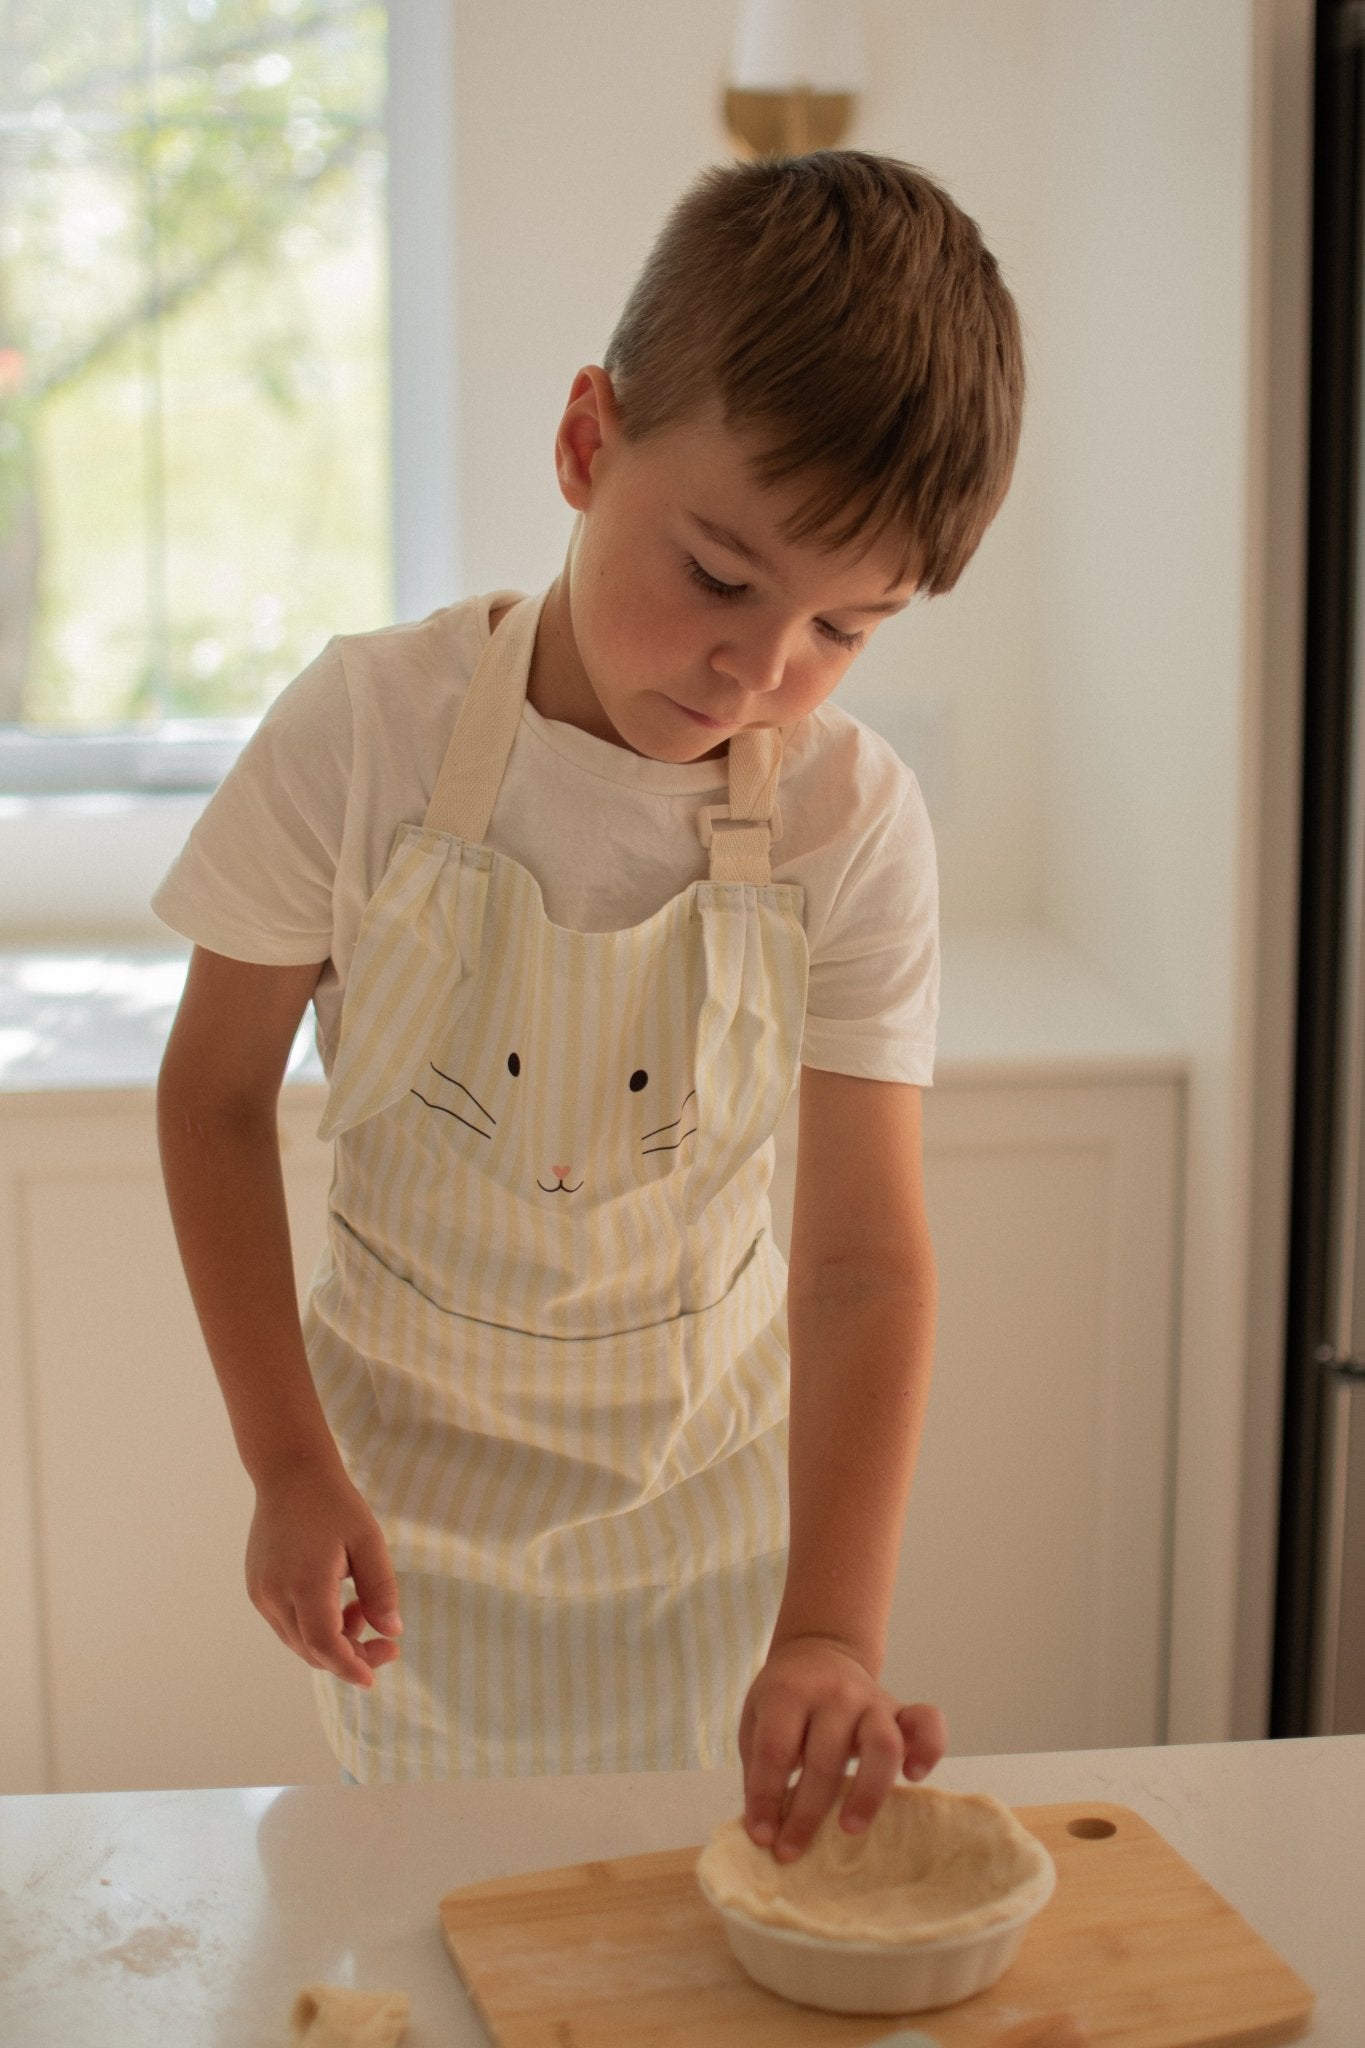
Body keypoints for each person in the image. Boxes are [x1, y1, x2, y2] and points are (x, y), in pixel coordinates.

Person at [153, 148, 1024, 1861]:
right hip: (396, 1518)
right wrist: (283, 1465)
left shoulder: (850, 827)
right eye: (718, 574)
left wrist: (832, 1632)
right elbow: (213, 1099)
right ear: (584, 443)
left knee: (671, 1937)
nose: (758, 668)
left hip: (705, 1545)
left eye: (843, 626)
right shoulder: (366, 734)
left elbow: (861, 1262)